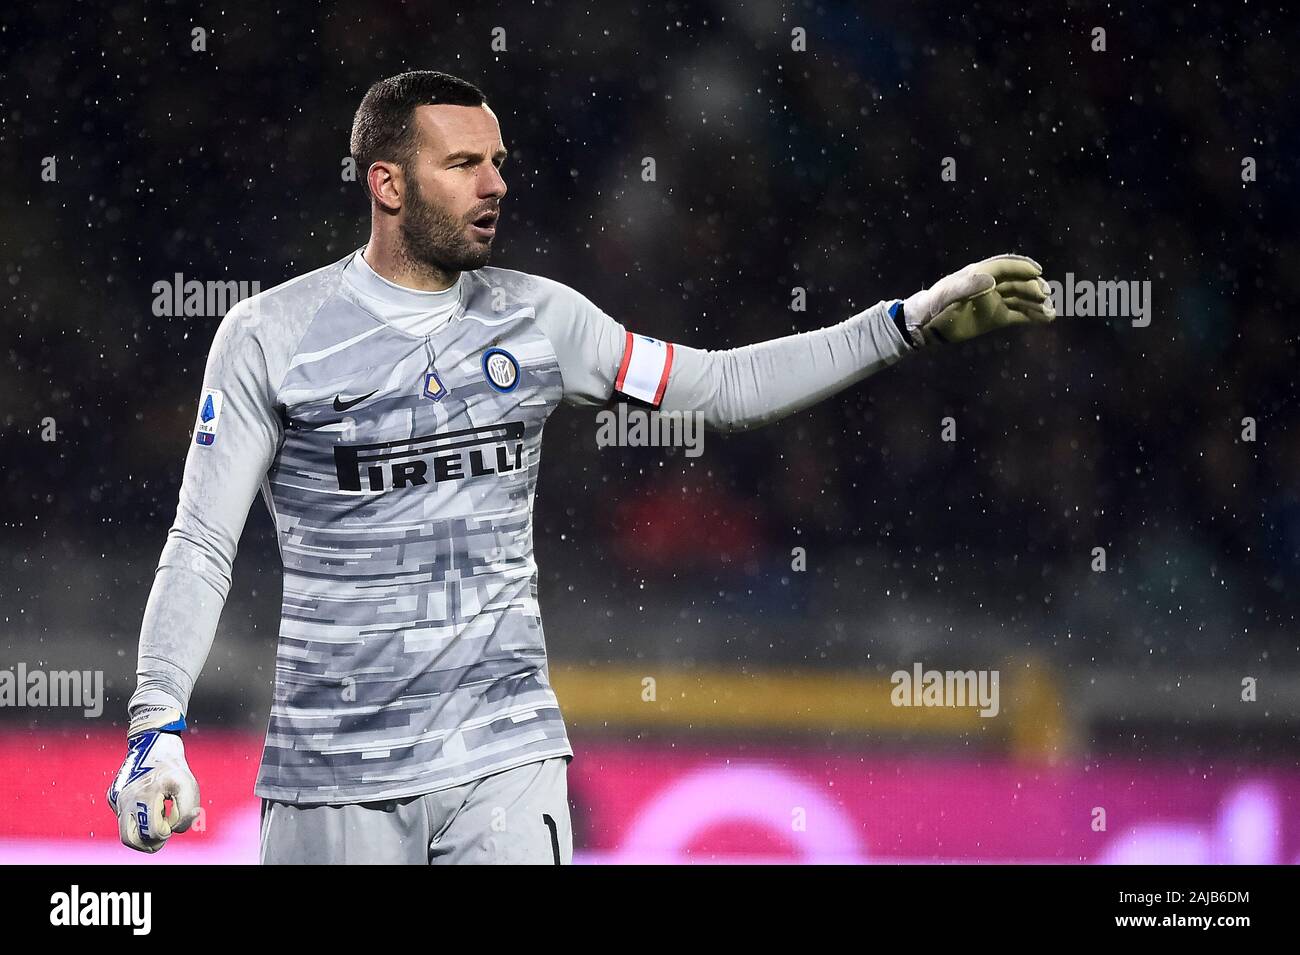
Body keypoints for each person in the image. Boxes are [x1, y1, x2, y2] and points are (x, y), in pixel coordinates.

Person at [107, 70, 1055, 864]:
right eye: (464, 164)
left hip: (505, 759)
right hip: (330, 782)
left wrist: (902, 323)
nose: (495, 185)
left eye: (500, 164)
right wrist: (157, 729)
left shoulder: (542, 320)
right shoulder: (271, 336)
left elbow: (720, 387)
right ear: (387, 183)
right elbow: (200, 545)